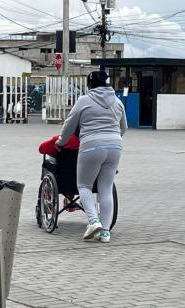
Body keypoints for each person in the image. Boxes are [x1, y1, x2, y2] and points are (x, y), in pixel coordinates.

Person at [55, 71, 127, 243]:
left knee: (84, 186)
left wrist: (61, 142)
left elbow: (69, 125)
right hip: (115, 145)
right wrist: (113, 139)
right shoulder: (117, 102)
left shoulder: (84, 101)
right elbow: (123, 127)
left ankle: (93, 221)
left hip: (91, 145)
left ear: (90, 85)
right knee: (106, 188)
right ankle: (105, 232)